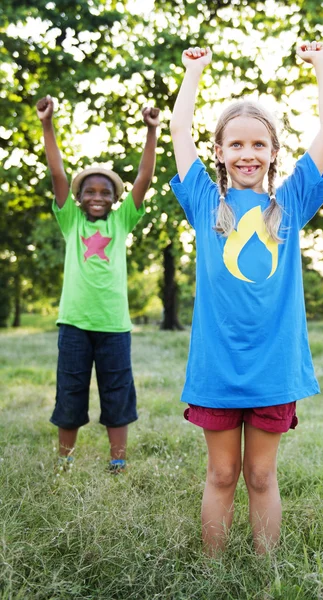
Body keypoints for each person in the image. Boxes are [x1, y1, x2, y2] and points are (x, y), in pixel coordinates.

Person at [169, 41, 323, 554]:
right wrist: (194, 73)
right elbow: (180, 130)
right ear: (219, 152)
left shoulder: (289, 202)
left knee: (262, 477)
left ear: (273, 153)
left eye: (259, 145)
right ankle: (212, 571)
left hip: (273, 366)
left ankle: (266, 573)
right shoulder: (203, 201)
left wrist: (322, 66)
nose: (248, 154)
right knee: (221, 474)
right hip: (217, 367)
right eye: (236, 145)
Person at [36, 95, 160, 473]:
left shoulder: (120, 223)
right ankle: (65, 462)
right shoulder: (70, 222)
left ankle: (118, 462)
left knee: (117, 394)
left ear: (115, 200)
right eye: (89, 191)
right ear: (77, 198)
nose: (97, 196)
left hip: (114, 326)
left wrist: (152, 131)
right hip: (74, 324)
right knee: (70, 395)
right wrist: (46, 124)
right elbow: (57, 172)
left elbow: (144, 178)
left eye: (105, 192)